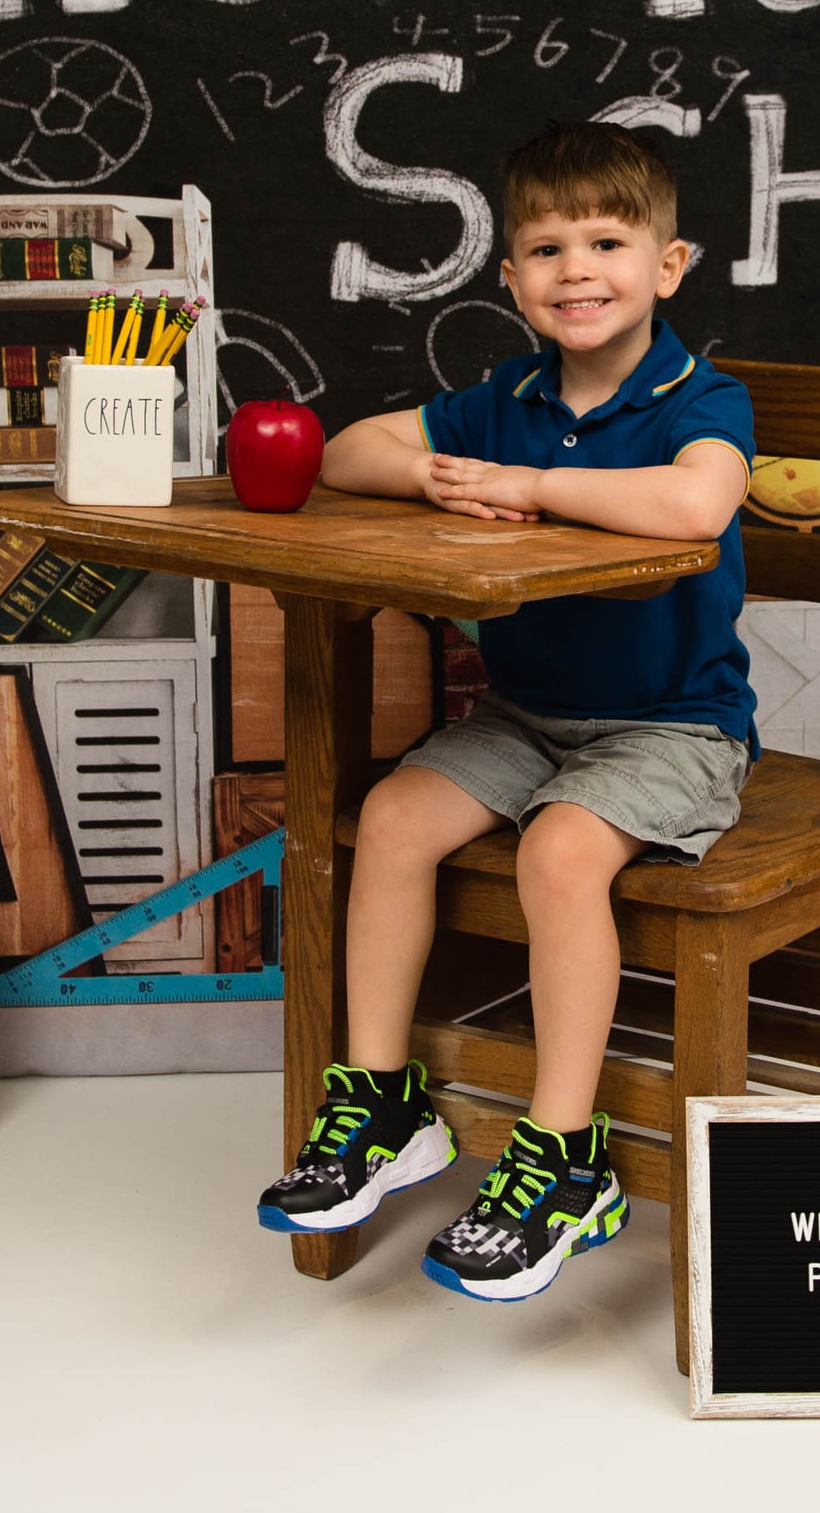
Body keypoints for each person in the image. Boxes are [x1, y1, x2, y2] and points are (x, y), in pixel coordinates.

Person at [257, 120, 758, 1302]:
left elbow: (697, 505)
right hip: (528, 714)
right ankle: (384, 1103)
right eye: (546, 248)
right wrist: (435, 472)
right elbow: (343, 454)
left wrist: (531, 489)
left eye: (605, 240)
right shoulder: (505, 397)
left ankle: (564, 1154)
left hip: (674, 725)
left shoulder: (703, 398)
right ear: (511, 280)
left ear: (669, 265)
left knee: (560, 849)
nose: (576, 270)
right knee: (388, 818)